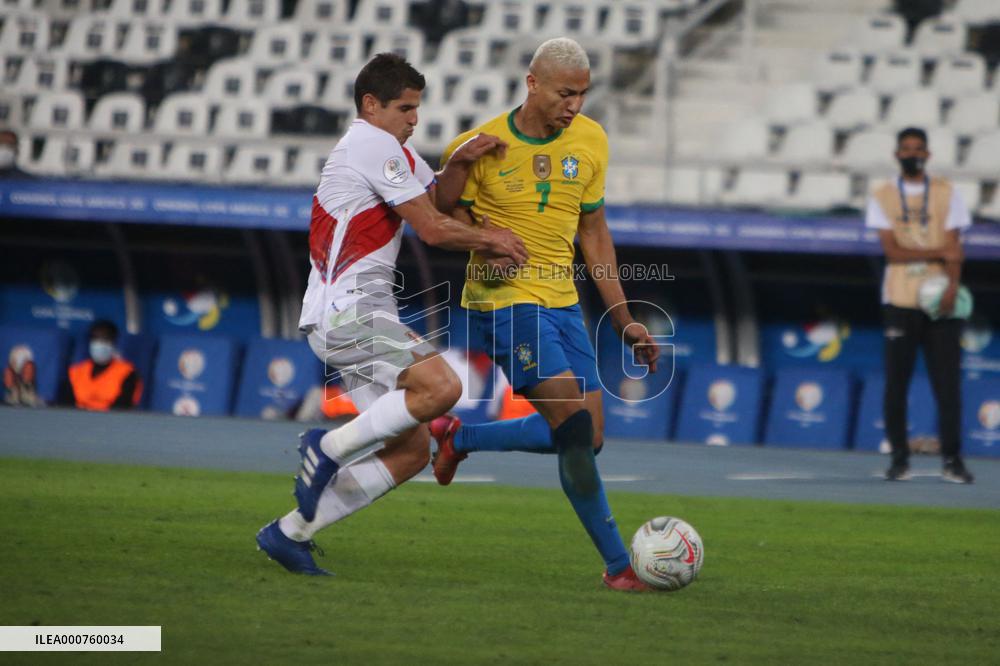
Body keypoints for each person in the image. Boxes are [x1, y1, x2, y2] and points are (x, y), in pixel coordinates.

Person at [256, 53, 528, 575]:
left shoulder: (392, 151)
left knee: (411, 451)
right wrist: (491, 239)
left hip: (348, 315)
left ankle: (290, 533)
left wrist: (461, 164)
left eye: (417, 108)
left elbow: (438, 201)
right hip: (350, 312)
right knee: (442, 387)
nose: (414, 119)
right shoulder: (370, 143)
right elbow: (432, 228)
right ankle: (326, 446)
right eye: (405, 108)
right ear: (371, 105)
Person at [432, 37, 661, 591]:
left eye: (583, 94)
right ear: (532, 84)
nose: (575, 106)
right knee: (573, 427)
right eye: (565, 93)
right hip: (503, 299)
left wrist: (624, 318)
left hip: (563, 300)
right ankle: (619, 566)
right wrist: (479, 231)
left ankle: (461, 438)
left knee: (590, 435)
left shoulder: (592, 139)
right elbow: (440, 216)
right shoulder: (479, 145)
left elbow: (594, 232)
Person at [865, 127, 974, 484]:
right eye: (906, 149)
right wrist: (937, 251)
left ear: (927, 154)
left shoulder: (946, 192)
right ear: (897, 154)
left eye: (918, 149)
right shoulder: (882, 196)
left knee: (948, 385)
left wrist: (952, 288)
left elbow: (956, 249)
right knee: (897, 384)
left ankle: (953, 460)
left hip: (940, 299)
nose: (912, 154)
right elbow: (892, 252)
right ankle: (900, 460)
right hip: (901, 297)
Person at [68, 320, 142, 411]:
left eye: (105, 339)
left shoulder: (127, 372)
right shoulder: (76, 371)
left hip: (112, 418)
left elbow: (124, 406)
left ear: (114, 343)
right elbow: (65, 404)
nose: (100, 344)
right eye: (96, 339)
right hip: (77, 417)